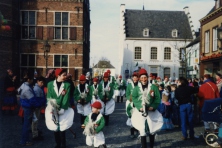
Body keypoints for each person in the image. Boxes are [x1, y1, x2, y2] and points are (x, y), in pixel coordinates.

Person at [131, 68, 162, 148]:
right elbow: (134, 98)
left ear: (147, 78)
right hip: (141, 111)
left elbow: (157, 98)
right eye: (142, 78)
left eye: (145, 78)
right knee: (142, 129)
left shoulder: (153, 87)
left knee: (152, 128)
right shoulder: (136, 88)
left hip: (151, 110)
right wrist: (139, 107)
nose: (144, 80)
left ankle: (151, 145)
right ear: (139, 79)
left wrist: (153, 106)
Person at [45, 68, 74, 148]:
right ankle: (58, 143)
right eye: (64, 75)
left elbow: (66, 98)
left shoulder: (67, 85)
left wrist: (62, 108)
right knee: (55, 127)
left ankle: (63, 144)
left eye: (65, 75)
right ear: (58, 75)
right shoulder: (50, 84)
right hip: (53, 108)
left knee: (62, 126)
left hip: (63, 109)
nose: (65, 76)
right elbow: (49, 97)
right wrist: (53, 107)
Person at [18, 72, 40, 146]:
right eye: (31, 79)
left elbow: (18, 92)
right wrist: (38, 105)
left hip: (24, 106)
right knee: (27, 125)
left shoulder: (23, 85)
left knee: (25, 124)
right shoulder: (27, 88)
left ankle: (25, 140)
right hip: (28, 107)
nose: (32, 80)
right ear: (29, 79)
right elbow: (32, 100)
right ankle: (24, 141)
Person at [125, 72, 139, 139]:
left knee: (138, 117)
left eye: (136, 77)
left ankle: (138, 130)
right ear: (132, 78)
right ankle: (132, 132)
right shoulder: (129, 85)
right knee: (131, 117)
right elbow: (127, 93)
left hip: (138, 103)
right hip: (130, 102)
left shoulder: (139, 85)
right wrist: (130, 98)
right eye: (134, 77)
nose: (135, 78)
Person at [32, 76, 45, 140]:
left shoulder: (38, 88)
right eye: (41, 82)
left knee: (36, 120)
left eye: (43, 82)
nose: (42, 84)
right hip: (37, 107)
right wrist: (39, 105)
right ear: (37, 82)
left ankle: (35, 132)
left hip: (38, 106)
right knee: (35, 121)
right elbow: (37, 99)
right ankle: (34, 134)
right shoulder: (37, 89)